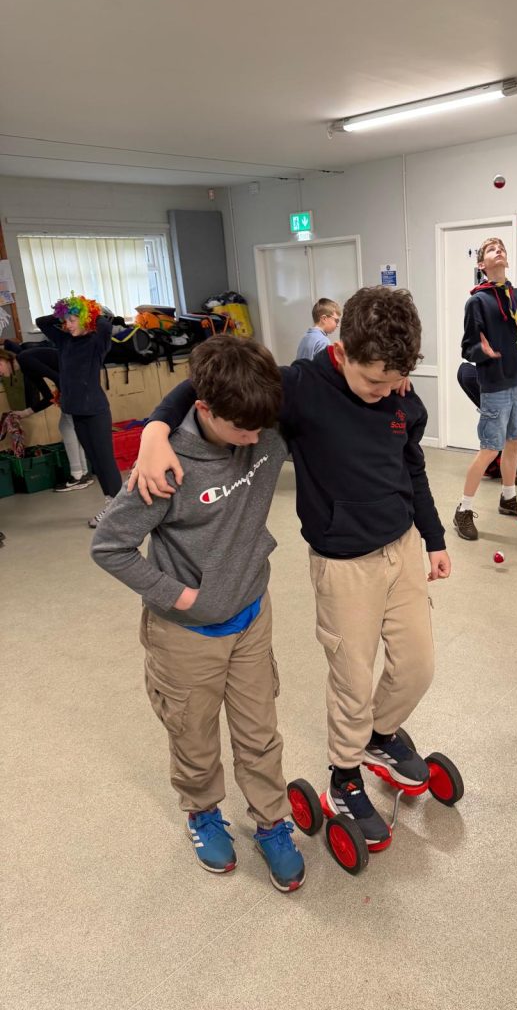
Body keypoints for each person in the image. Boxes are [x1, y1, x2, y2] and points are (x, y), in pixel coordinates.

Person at [130, 287, 451, 850]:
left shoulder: (399, 391)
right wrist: (155, 431)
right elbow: (209, 382)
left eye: (394, 381)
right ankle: (344, 777)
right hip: (344, 564)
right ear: (341, 350)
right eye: (373, 381)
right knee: (352, 678)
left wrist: (434, 537)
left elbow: (413, 468)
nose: (383, 393)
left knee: (418, 665)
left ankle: (379, 737)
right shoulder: (299, 386)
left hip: (401, 548)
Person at [91, 335, 306, 892]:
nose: (256, 439)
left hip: (251, 616)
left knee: (260, 732)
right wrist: (181, 597)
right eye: (243, 431)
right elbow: (109, 547)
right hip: (186, 634)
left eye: (261, 428)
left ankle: (271, 821)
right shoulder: (165, 468)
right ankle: (203, 813)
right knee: (194, 736)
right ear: (205, 409)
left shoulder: (262, 421)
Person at [453, 238, 517, 541]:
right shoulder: (477, 301)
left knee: (514, 443)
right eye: (492, 250)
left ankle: (508, 497)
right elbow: (467, 347)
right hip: (494, 385)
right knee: (490, 448)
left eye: (501, 248)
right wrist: (483, 351)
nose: (499, 251)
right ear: (482, 264)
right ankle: (463, 510)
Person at [35, 295, 122, 525]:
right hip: (76, 411)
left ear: (84, 320)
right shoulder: (65, 340)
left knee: (105, 460)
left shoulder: (97, 342)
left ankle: (119, 509)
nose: (68, 325)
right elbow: (41, 322)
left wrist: (91, 311)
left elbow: (106, 325)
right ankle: (111, 504)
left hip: (95, 411)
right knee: (95, 460)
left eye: (73, 320)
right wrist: (63, 310)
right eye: (66, 321)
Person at [0, 341, 93, 491]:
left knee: (67, 427)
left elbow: (57, 377)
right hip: (74, 383)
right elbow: (48, 396)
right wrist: (24, 413)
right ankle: (83, 474)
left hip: (77, 380)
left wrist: (66, 398)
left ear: (4, 359)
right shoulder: (25, 367)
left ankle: (78, 476)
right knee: (70, 427)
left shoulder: (24, 359)